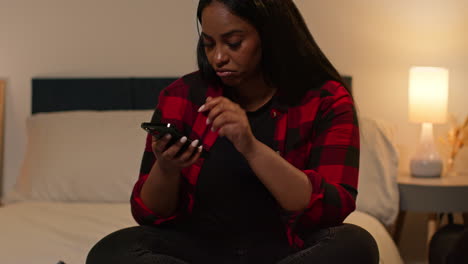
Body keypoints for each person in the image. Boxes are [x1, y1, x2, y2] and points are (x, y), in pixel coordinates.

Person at [87, 0, 379, 263]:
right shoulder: (182, 96)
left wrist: (250, 146)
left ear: (271, 36)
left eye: (234, 43)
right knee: (111, 251)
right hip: (197, 250)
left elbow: (333, 208)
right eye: (209, 44)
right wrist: (166, 167)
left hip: (287, 251)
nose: (218, 58)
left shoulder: (326, 100)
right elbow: (148, 214)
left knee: (355, 243)